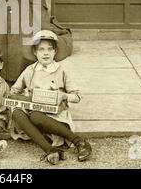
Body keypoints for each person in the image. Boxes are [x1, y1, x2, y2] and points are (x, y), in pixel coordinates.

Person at [9, 30, 92, 165]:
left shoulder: (61, 71)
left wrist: (63, 95)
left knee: (36, 115)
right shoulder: (30, 70)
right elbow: (14, 90)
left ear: (55, 52)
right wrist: (24, 96)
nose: (46, 53)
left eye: (49, 49)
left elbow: (77, 96)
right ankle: (50, 149)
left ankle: (79, 142)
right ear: (35, 52)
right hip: (33, 111)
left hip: (53, 117)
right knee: (17, 112)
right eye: (41, 49)